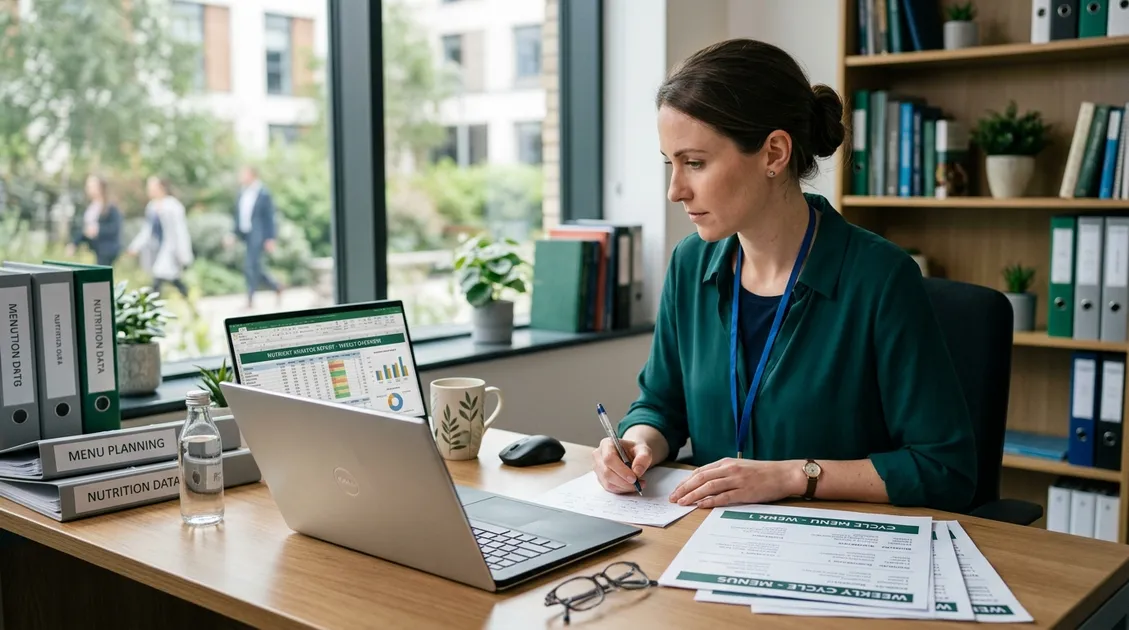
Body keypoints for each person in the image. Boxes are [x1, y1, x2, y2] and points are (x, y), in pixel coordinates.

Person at [593, 39, 977, 513]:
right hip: (707, 542)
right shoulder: (690, 264)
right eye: (670, 164)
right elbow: (662, 403)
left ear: (774, 153)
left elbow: (945, 469)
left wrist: (791, 475)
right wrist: (636, 441)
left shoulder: (881, 277)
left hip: (838, 550)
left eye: (694, 162)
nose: (675, 190)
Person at [126, 175, 193, 298]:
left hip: (170, 250)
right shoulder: (151, 207)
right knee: (171, 279)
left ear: (161, 187)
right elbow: (147, 230)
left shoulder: (173, 206)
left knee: (159, 276)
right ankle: (189, 302)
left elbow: (180, 231)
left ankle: (155, 308)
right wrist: (135, 246)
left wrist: (184, 254)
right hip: (156, 249)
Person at [226, 165, 281, 309]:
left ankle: (250, 299)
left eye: (243, 174)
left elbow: (270, 217)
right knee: (255, 267)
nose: (240, 177)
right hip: (245, 234)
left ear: (252, 175)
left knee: (250, 266)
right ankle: (276, 286)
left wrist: (270, 238)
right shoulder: (242, 192)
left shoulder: (263, 193)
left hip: (259, 234)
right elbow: (238, 216)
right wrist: (233, 234)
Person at [66, 174, 123, 266]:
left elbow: (115, 228)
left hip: (107, 251)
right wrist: (74, 243)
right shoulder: (91, 206)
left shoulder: (110, 207)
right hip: (96, 249)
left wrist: (98, 230)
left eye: (91, 186)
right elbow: (85, 229)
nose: (88, 188)